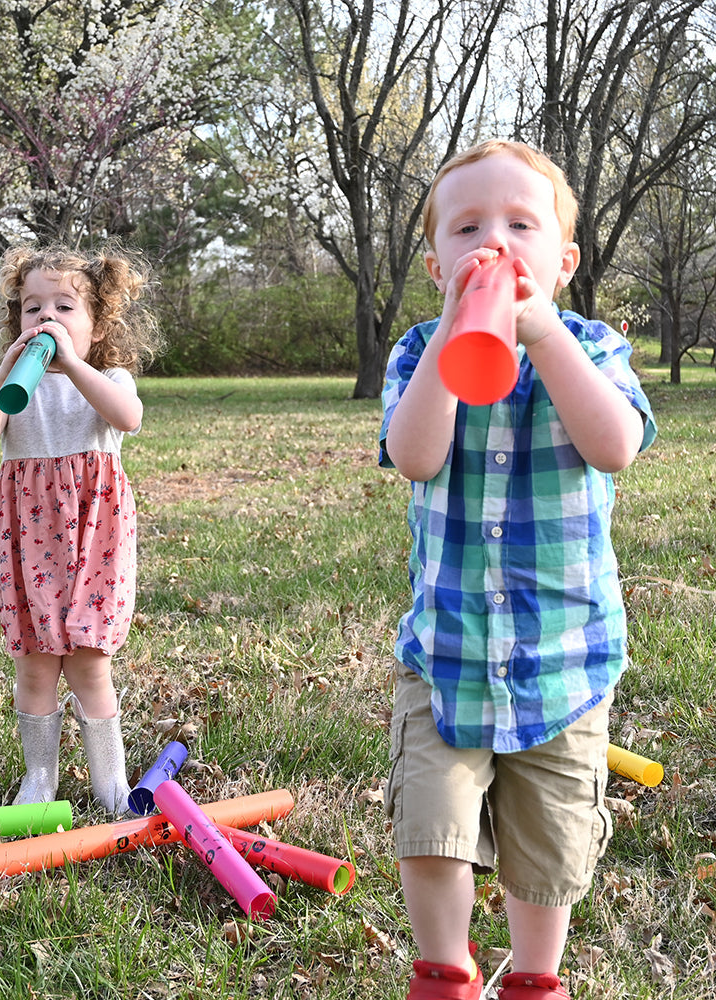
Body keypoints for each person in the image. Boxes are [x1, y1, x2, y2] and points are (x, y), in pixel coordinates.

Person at [378, 140, 656, 1000]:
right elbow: (415, 456)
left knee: (550, 849)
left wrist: (538, 335)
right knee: (431, 830)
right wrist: (454, 349)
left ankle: (535, 979)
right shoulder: (417, 351)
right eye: (468, 227)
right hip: (448, 656)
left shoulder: (593, 347)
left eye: (520, 225)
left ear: (563, 262)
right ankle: (445, 970)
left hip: (563, 665)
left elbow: (615, 443)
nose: (492, 243)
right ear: (437, 265)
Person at [0, 241, 161, 815]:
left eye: (65, 307)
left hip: (93, 539)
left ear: (96, 327)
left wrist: (73, 365)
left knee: (88, 660)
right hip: (32, 541)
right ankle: (40, 781)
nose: (46, 317)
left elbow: (129, 417)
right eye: (32, 307)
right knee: (35, 660)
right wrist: (6, 369)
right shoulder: (15, 387)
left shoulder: (108, 378)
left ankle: (112, 784)